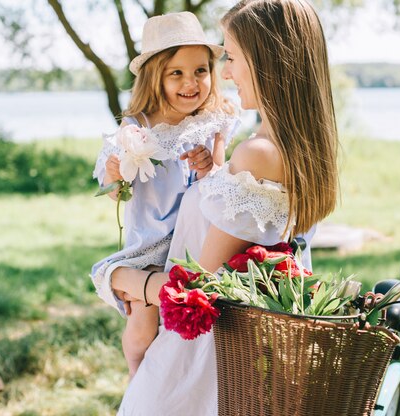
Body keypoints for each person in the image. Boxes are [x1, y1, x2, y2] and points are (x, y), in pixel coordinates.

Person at [91, 0, 339, 414]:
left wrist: (117, 277)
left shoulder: (258, 155)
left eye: (233, 57)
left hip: (198, 361)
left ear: (269, 62)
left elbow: (196, 287)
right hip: (224, 350)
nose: (225, 72)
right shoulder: (289, 150)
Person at [91, 11, 238, 379]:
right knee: (142, 330)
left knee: (179, 331)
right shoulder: (136, 128)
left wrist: (208, 165)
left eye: (200, 71)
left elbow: (219, 183)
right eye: (177, 73)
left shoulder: (213, 122)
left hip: (195, 242)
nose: (191, 83)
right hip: (151, 245)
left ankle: (169, 380)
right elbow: (116, 193)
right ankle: (136, 376)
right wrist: (115, 175)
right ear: (156, 76)